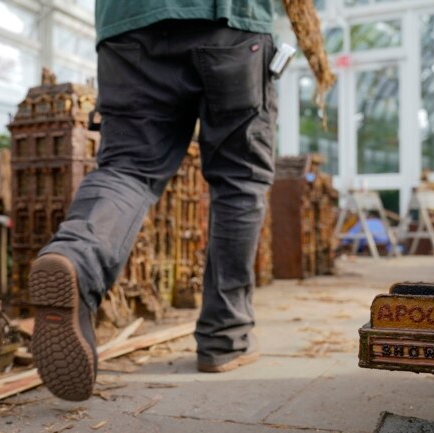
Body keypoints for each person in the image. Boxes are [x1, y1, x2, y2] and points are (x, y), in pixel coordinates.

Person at [29, 1, 276, 402]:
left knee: (127, 169)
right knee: (239, 181)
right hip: (228, 22)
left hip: (127, 26)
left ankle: (76, 259)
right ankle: (224, 338)